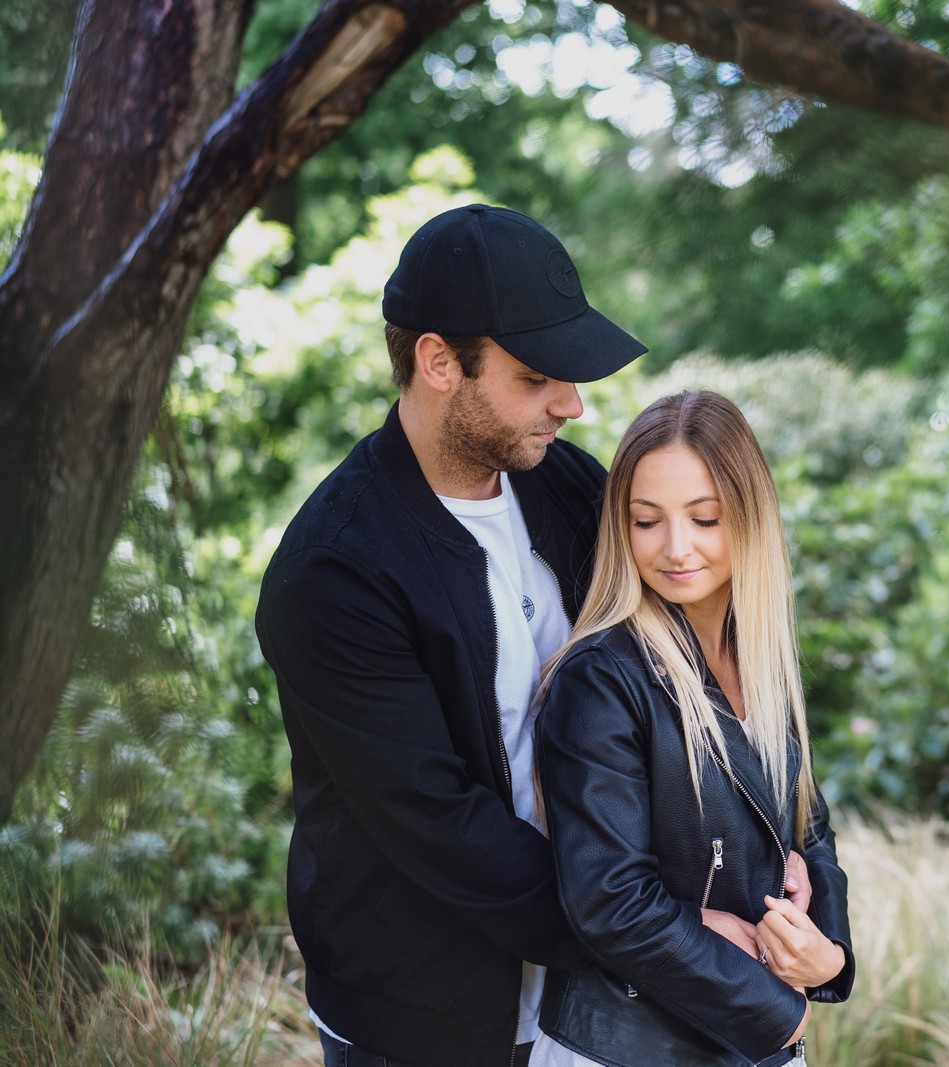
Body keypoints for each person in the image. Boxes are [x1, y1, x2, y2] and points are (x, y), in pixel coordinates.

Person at [258, 204, 798, 1067]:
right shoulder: (332, 572)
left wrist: (781, 851)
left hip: (597, 1005)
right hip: (421, 1014)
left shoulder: (569, 490)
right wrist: (659, 927)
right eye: (539, 375)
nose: (574, 405)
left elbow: (692, 676)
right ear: (438, 361)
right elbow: (439, 824)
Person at [531, 390, 855, 1067]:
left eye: (704, 518)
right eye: (646, 520)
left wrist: (827, 952)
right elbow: (611, 901)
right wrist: (780, 1009)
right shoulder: (601, 678)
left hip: (755, 1044)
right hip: (626, 1049)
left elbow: (808, 828)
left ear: (749, 518)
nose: (676, 548)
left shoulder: (762, 657)